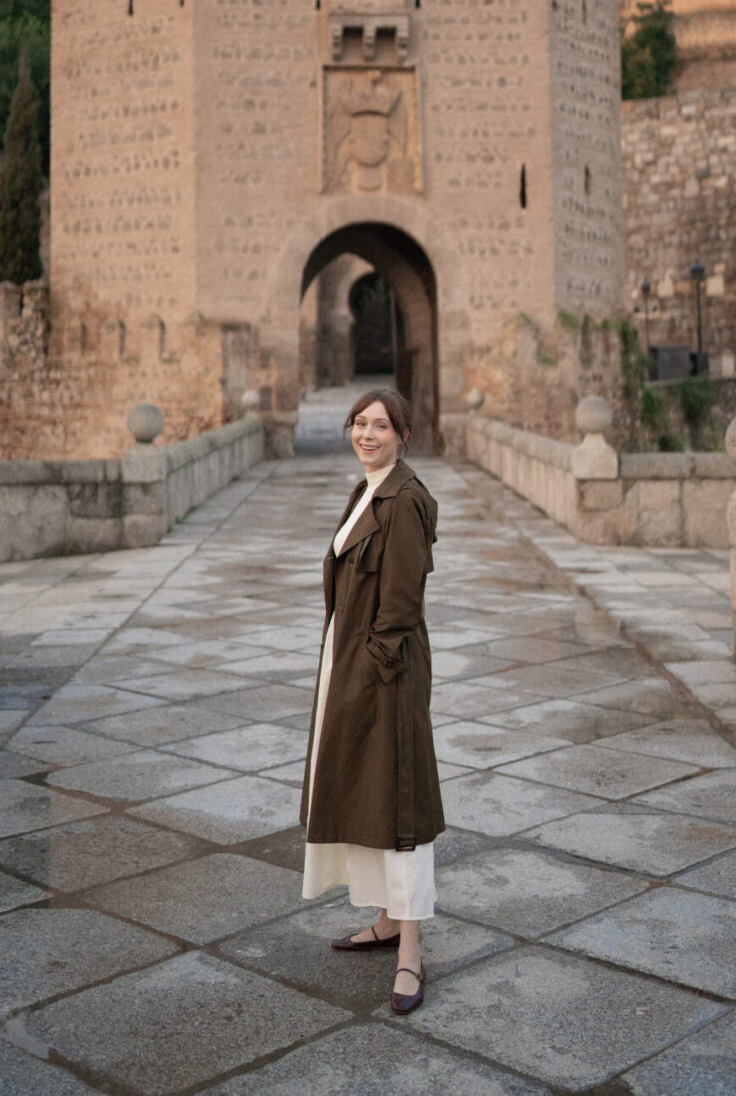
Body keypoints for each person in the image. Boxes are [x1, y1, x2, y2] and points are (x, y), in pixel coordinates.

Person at [300, 386, 444, 1015]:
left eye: (380, 425)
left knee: (399, 801)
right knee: (368, 792)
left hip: (384, 672)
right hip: (352, 660)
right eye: (359, 423)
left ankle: (410, 949)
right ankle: (387, 920)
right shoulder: (367, 489)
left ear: (403, 434)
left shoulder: (405, 499)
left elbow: (403, 604)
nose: (367, 434)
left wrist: (371, 670)